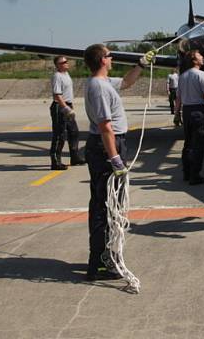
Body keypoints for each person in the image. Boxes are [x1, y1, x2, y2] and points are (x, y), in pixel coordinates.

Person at [82, 43, 149, 281]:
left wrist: (140, 65)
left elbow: (127, 83)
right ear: (102, 60)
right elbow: (105, 127)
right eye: (110, 56)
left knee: (112, 204)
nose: (112, 59)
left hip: (111, 145)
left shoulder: (103, 83)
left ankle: (105, 257)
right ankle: (99, 262)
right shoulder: (98, 87)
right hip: (107, 147)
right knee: (104, 205)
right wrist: (115, 159)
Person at [174, 50, 204, 185]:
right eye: (200, 56)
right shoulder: (202, 75)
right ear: (194, 60)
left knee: (188, 143)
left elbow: (178, 98)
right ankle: (195, 175)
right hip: (198, 111)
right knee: (200, 144)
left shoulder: (183, 76)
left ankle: (186, 172)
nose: (202, 57)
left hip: (187, 111)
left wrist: (177, 114)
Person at [49, 56, 84, 170]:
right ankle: (55, 161)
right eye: (63, 62)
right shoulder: (57, 76)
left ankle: (74, 157)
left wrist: (70, 106)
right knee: (60, 135)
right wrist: (65, 108)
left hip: (67, 105)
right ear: (58, 65)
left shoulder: (66, 75)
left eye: (66, 61)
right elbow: (57, 95)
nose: (66, 63)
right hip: (60, 106)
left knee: (74, 132)